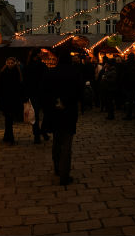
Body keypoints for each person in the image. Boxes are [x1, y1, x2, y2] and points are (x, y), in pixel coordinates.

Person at [48, 50, 82, 186]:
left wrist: (55, 102)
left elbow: (45, 91)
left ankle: (57, 167)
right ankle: (64, 174)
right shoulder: (75, 73)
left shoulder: (51, 73)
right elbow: (79, 92)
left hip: (55, 111)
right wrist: (66, 102)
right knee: (67, 143)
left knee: (56, 140)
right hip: (69, 111)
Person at [23, 49, 49, 143]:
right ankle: (43, 131)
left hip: (32, 93)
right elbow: (47, 79)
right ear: (37, 55)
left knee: (35, 115)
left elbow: (25, 82)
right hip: (42, 93)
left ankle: (37, 135)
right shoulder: (42, 66)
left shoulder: (27, 66)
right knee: (47, 113)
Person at [0, 57, 24, 145]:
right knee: (8, 118)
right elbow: (0, 85)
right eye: (8, 63)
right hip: (6, 98)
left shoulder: (17, 72)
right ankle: (8, 135)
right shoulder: (3, 72)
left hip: (13, 98)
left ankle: (9, 136)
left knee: (9, 118)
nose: (10, 64)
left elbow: (20, 85)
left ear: (15, 63)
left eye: (12, 63)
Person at [122, 53, 135, 120]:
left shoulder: (126, 64)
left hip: (129, 85)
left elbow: (124, 75)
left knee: (129, 100)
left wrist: (124, 84)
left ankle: (129, 115)